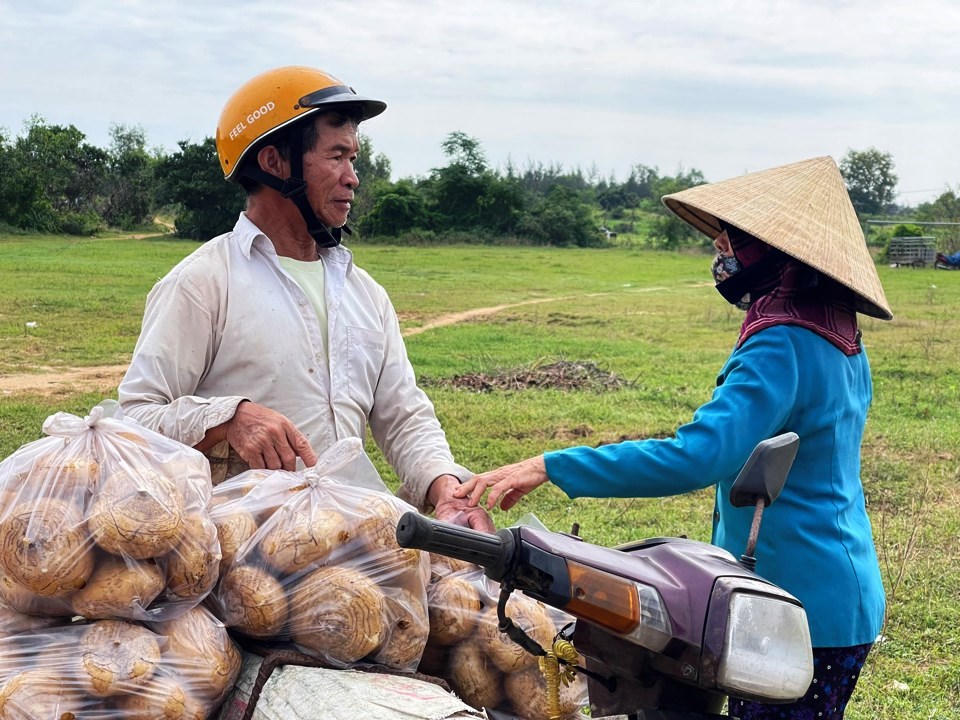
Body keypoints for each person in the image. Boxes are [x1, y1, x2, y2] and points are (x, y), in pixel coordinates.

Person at [455, 156, 891, 719]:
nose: (721, 251)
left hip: (795, 608)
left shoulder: (780, 342)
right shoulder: (838, 333)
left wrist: (552, 465)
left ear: (773, 254)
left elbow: (699, 455)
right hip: (843, 593)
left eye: (732, 240)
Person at [118, 66, 492, 532]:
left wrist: (444, 487)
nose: (353, 178)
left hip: (350, 546)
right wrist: (227, 419)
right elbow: (133, 421)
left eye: (353, 159)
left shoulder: (364, 293)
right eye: (337, 156)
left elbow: (403, 416)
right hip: (240, 557)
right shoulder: (203, 283)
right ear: (276, 163)